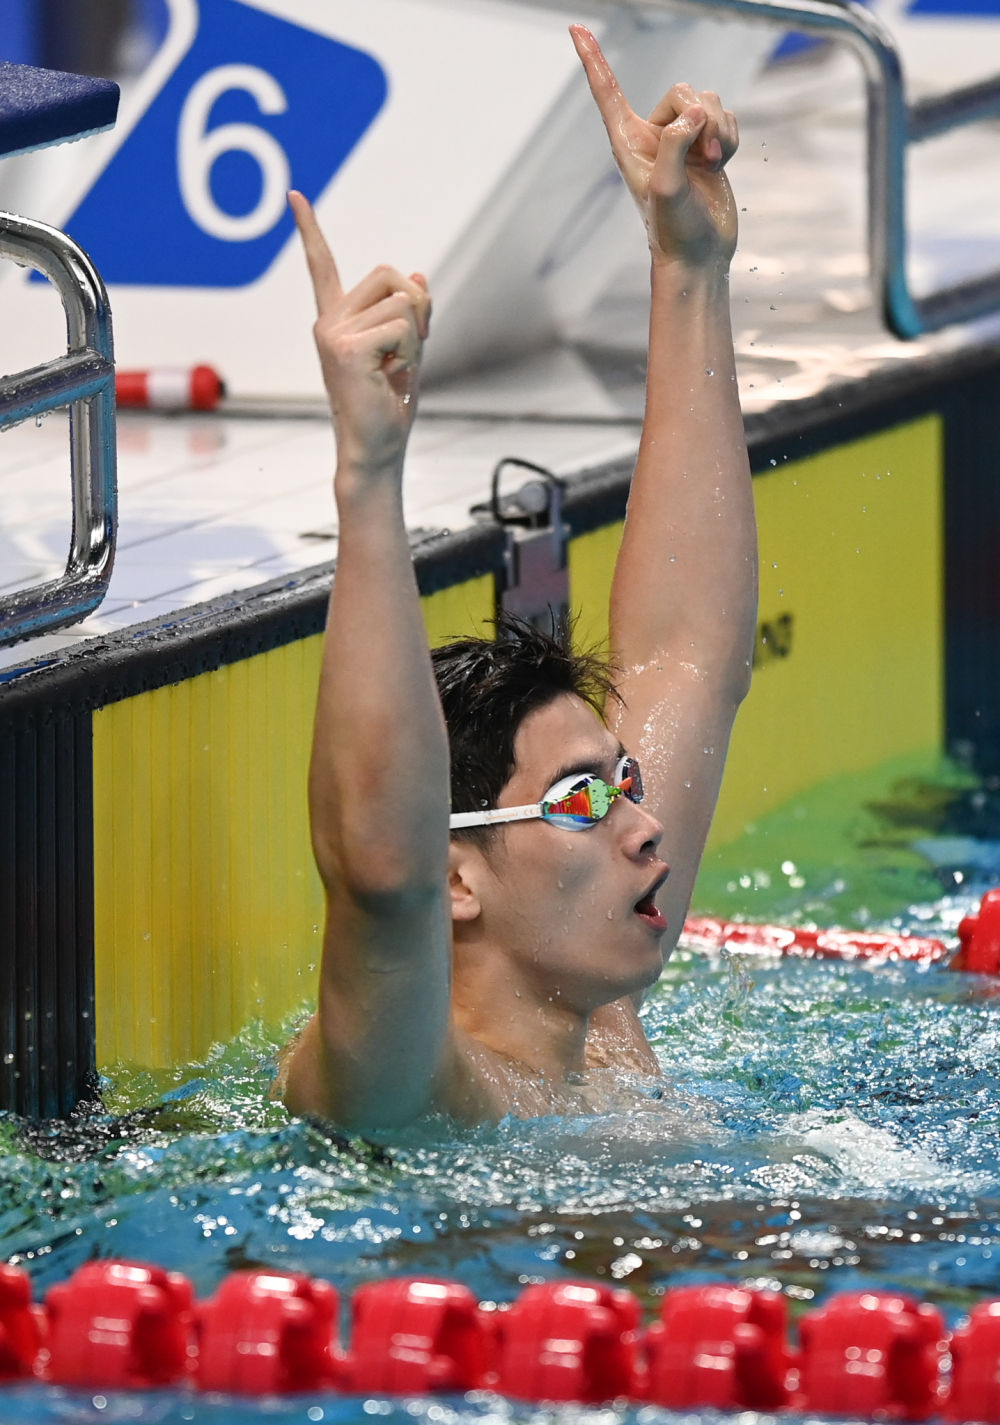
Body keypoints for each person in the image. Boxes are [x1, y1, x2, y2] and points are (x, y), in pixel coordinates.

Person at [279, 26, 757, 1130]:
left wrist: (688, 266)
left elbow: (687, 658)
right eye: (584, 799)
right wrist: (368, 477)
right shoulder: (411, 1089)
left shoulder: (603, 1024)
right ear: (459, 877)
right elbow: (379, 872)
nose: (646, 827)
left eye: (623, 782)